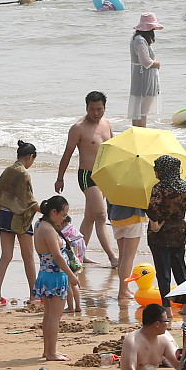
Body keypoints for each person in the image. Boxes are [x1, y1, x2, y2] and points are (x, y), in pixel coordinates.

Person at [56, 92, 118, 267]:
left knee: (90, 217)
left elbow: (113, 149)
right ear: (86, 108)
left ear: (104, 108)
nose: (96, 113)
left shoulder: (107, 124)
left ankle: (78, 255)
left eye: (99, 109)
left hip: (104, 175)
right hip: (87, 176)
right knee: (101, 215)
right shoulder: (78, 128)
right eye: (92, 109)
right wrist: (60, 178)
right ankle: (113, 257)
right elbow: (67, 154)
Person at [0, 140, 39, 301]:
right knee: (28, 257)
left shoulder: (8, 170)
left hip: (4, 215)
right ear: (30, 157)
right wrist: (46, 210)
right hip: (19, 218)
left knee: (6, 256)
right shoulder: (23, 173)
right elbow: (28, 200)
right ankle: (33, 294)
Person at [146, 155, 186, 298]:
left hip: (159, 237)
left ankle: (166, 307)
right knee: (180, 270)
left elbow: (152, 209)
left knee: (163, 274)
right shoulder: (185, 187)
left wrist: (155, 226)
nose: (155, 171)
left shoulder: (159, 188)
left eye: (156, 168)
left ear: (163, 170)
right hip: (179, 234)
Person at [31, 197, 81, 360]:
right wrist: (71, 276)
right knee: (54, 317)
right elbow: (57, 256)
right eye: (63, 214)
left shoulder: (39, 224)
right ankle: (51, 352)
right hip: (56, 277)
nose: (64, 218)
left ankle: (48, 350)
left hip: (45, 274)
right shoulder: (49, 230)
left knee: (48, 315)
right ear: (54, 212)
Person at [120, 302, 182, 370]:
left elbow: (177, 365)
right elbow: (131, 368)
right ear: (157, 324)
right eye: (166, 321)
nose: (167, 324)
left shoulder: (163, 340)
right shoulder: (132, 340)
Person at [128, 14, 162, 127]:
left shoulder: (137, 38)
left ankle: (136, 131)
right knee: (143, 110)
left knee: (138, 109)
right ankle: (141, 131)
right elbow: (145, 61)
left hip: (141, 75)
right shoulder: (140, 40)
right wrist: (157, 63)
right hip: (144, 77)